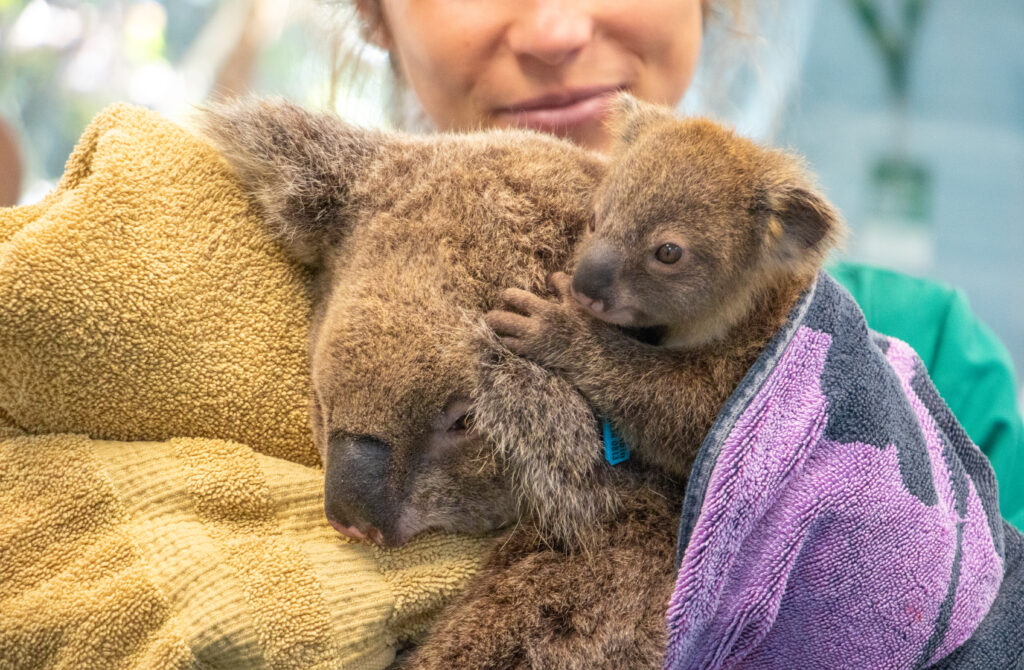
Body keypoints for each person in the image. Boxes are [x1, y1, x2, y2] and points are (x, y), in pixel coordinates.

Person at [345, 0, 1023, 529]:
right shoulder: (288, 303)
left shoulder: (923, 353)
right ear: (370, 13)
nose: (555, 31)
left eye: (667, 254)